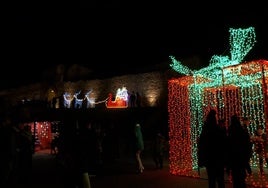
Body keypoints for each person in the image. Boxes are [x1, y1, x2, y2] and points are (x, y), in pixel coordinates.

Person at [197, 109, 227, 188]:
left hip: (209, 160)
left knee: (211, 180)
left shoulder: (205, 130)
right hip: (218, 158)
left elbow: (201, 146)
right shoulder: (217, 130)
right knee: (220, 179)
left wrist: (201, 160)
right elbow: (223, 143)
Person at [228, 114, 252, 188]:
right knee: (241, 179)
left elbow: (228, 147)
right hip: (241, 159)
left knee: (236, 179)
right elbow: (247, 145)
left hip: (234, 160)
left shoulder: (230, 132)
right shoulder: (242, 131)